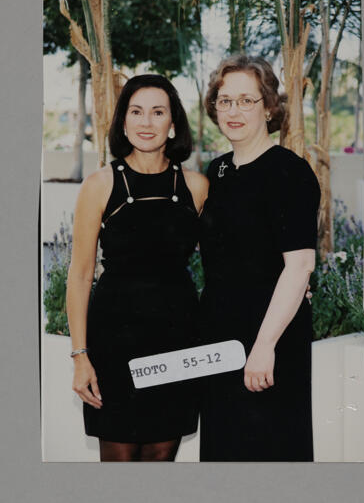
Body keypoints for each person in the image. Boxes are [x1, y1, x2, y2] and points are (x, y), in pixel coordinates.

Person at [66, 74, 208, 462]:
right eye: (137, 112)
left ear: (173, 122)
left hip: (177, 339)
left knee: (162, 458)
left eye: (157, 112)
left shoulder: (197, 186)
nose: (146, 123)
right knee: (119, 465)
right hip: (115, 342)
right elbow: (79, 276)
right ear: (123, 122)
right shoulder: (99, 184)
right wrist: (80, 356)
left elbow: (228, 256)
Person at [198, 54, 321, 461]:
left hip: (269, 342)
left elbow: (300, 265)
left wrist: (264, 345)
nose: (234, 111)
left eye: (247, 100)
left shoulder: (290, 172)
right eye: (225, 100)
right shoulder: (216, 172)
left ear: (269, 107)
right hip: (220, 340)